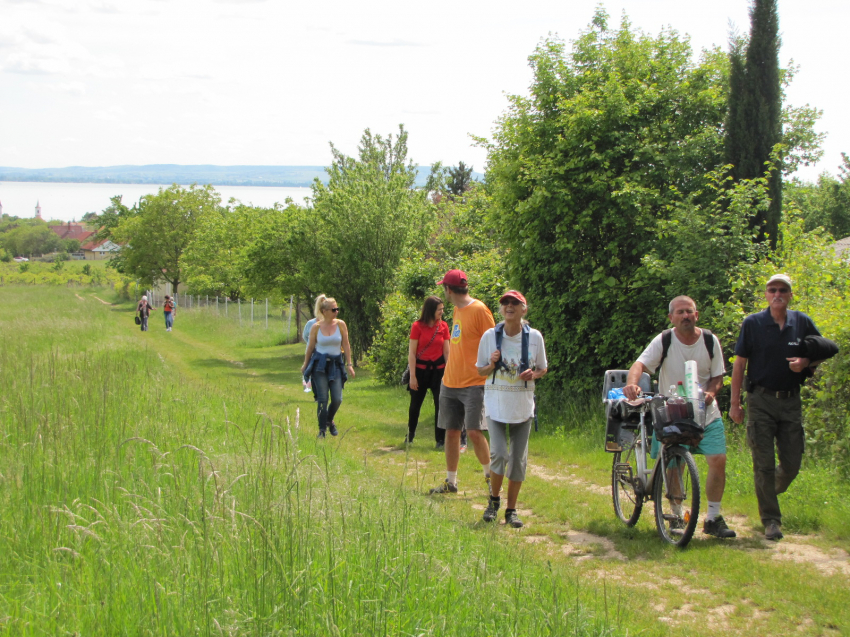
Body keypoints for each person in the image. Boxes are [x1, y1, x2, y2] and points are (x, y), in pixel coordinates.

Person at [623, 296, 736, 539]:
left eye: (689, 312)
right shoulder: (664, 340)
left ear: (697, 315)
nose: (685, 316)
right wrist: (632, 384)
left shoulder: (709, 340)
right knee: (674, 464)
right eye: (680, 312)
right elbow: (639, 364)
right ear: (671, 318)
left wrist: (711, 392)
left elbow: (718, 376)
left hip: (706, 412)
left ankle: (714, 518)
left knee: (718, 460)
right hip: (672, 412)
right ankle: (675, 514)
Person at [730, 274, 822, 541]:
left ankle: (766, 489)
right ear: (766, 294)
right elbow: (739, 364)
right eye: (772, 290)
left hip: (791, 401)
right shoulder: (753, 323)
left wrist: (805, 363)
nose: (777, 294)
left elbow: (822, 350)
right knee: (764, 464)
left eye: (783, 290)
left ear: (790, 295)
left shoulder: (801, 322)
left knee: (792, 464)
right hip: (760, 400)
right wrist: (735, 404)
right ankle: (771, 520)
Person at [476, 291, 548, 528]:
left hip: (523, 406)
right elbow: (481, 371)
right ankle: (493, 502)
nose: (509, 306)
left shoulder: (535, 337)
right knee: (498, 454)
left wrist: (533, 373)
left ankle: (511, 511)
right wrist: (492, 364)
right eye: (505, 303)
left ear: (523, 309)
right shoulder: (489, 336)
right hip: (496, 404)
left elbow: (542, 369)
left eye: (514, 303)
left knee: (517, 460)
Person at [429, 269, 495, 495]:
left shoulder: (479, 310)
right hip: (450, 382)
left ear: (448, 289)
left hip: (474, 382)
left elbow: (494, 344)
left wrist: (487, 372)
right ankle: (451, 482)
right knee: (451, 431)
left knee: (475, 432)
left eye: (443, 288)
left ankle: (490, 481)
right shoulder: (457, 310)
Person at [301, 294, 355, 438]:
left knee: (337, 399)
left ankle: (329, 420)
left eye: (337, 309)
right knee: (323, 399)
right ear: (324, 311)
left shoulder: (341, 325)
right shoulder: (315, 327)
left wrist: (349, 364)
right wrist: (305, 365)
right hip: (320, 365)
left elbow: (346, 344)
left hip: (336, 364)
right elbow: (310, 347)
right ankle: (322, 431)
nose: (336, 312)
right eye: (333, 309)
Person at [406, 295, 450, 447]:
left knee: (441, 405)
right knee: (415, 405)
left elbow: (446, 351)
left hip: (439, 372)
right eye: (439, 310)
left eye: (442, 309)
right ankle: (410, 434)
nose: (442, 312)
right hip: (420, 371)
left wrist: (450, 371)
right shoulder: (417, 326)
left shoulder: (443, 326)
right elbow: (412, 352)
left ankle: (440, 440)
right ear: (431, 310)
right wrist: (412, 376)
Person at [302, 299, 320, 393]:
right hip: (312, 352)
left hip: (322, 352)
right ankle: (308, 387)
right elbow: (305, 336)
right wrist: (311, 344)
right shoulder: (310, 323)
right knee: (309, 370)